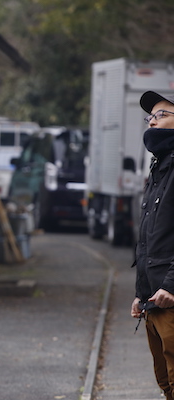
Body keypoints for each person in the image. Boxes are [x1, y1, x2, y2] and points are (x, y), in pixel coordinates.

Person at [131, 90, 174, 400]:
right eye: (151, 116)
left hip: (170, 296)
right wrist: (140, 292)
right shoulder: (159, 168)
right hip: (153, 297)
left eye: (163, 115)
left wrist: (171, 284)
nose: (153, 122)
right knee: (165, 381)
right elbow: (150, 239)